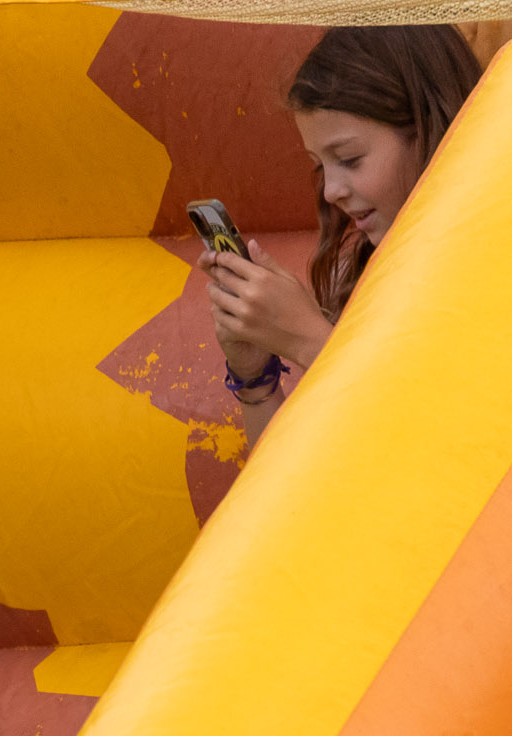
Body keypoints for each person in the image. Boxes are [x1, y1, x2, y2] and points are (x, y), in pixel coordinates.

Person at [200, 26, 481, 449]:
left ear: (431, 129)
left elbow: (440, 445)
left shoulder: (493, 268)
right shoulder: (371, 278)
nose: (331, 191)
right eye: (320, 166)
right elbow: (294, 478)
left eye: (349, 159)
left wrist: (306, 338)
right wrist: (255, 375)